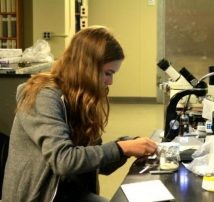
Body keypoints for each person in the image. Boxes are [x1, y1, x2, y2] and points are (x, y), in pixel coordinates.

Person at [1, 26, 157, 202]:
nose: (110, 82)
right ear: (87, 67)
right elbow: (64, 160)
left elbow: (95, 162)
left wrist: (127, 147)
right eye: (108, 73)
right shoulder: (43, 96)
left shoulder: (80, 98)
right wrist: (122, 148)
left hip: (69, 191)